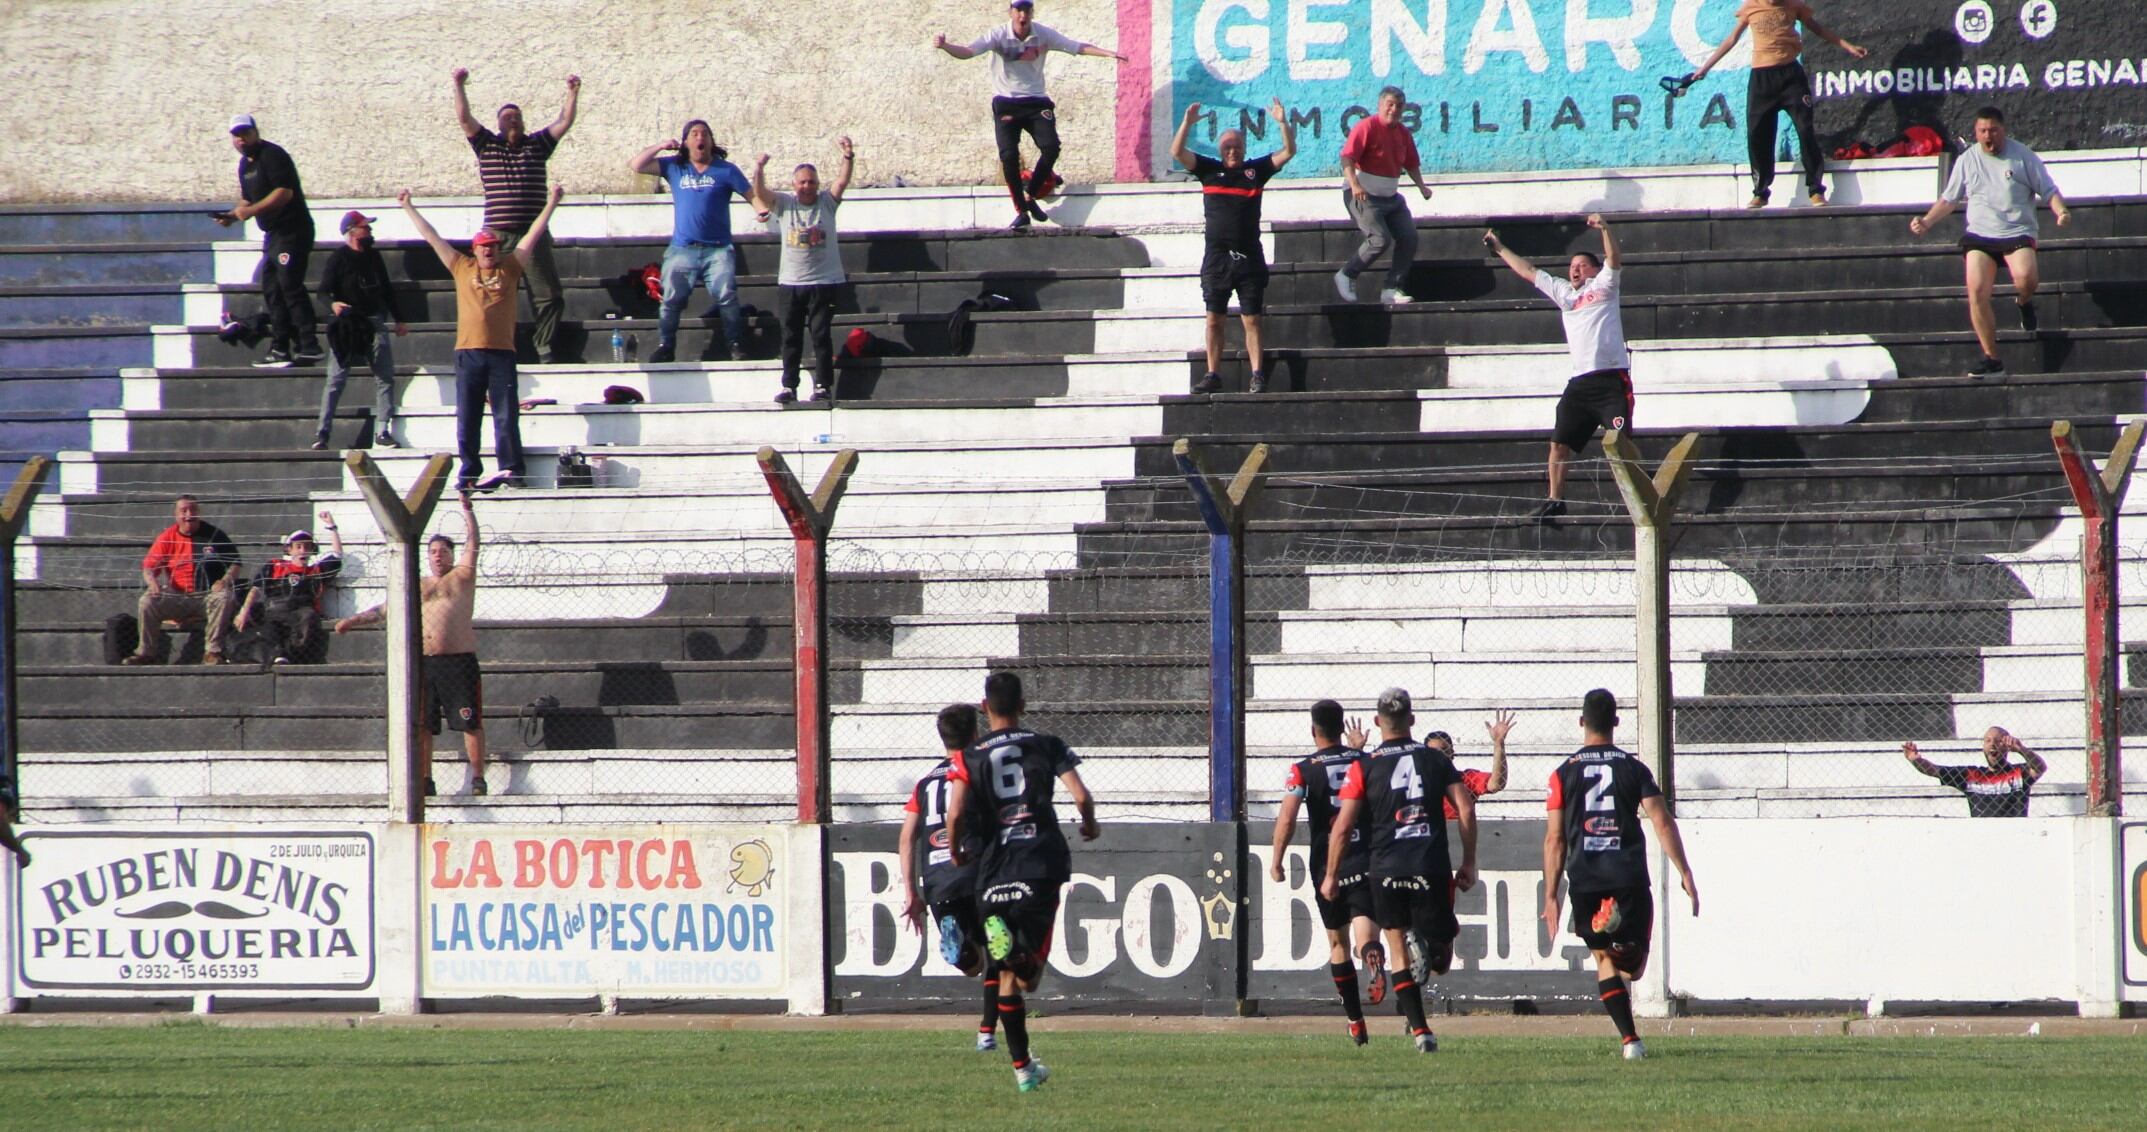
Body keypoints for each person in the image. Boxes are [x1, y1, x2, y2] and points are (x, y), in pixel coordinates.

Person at [946, 671, 1099, 1092]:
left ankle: (1023, 1070)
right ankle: (1013, 952)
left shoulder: (968, 755)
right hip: (1040, 863)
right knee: (1027, 976)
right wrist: (1089, 823)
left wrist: (957, 849)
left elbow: (955, 814)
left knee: (1010, 976)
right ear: (1023, 705)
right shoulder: (1047, 743)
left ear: (984, 708)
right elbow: (1081, 796)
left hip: (992, 871)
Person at [1541, 689, 1700, 1060]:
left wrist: (1551, 894)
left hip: (1585, 877)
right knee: (1636, 965)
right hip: (1627, 874)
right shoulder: (1634, 768)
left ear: (1582, 722)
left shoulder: (1562, 774)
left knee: (1606, 961)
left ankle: (1631, 1041)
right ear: (1616, 722)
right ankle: (1620, 943)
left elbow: (1554, 839)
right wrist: (1685, 871)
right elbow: (1661, 820)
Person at [1319, 687, 1477, 1054]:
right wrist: (1469, 861)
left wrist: (1331, 874)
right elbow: (1465, 808)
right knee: (1441, 957)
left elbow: (1342, 826)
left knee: (1397, 949)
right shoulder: (1436, 760)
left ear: (1377, 722)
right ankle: (1429, 943)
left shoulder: (1364, 765)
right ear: (1412, 720)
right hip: (1431, 865)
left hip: (1385, 867)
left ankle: (1422, 1032)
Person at [400, 184, 564, 491]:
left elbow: (532, 235)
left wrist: (552, 202)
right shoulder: (461, 266)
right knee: (468, 416)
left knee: (505, 414)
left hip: (501, 352)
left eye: (492, 246)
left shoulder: (511, 267)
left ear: (499, 249)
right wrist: (409, 207)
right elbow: (432, 238)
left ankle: (512, 468)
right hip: (468, 353)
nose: (488, 251)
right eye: (483, 246)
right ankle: (470, 469)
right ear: (474, 249)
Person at [336, 492, 489, 796]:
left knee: (469, 721)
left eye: (443, 550)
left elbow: (473, 545)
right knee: (423, 725)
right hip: (425, 663)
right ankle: (426, 779)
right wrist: (352, 620)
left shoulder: (461, 577)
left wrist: (468, 512)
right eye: (432, 551)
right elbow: (384, 608)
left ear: (451, 554)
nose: (437, 556)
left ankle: (477, 777)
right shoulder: (417, 584)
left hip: (457, 661)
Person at [932, 0, 1127, 230]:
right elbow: (968, 51)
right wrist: (946, 46)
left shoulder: (1043, 34)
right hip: (1006, 102)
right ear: (1011, 12)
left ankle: (1030, 194)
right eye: (1018, 11)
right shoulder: (998, 34)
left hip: (1036, 101)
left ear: (1032, 13)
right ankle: (1022, 211)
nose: (1022, 16)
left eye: (1027, 11)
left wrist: (1110, 54)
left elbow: (1076, 47)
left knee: (1051, 147)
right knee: (1009, 156)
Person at [1486, 214, 1629, 524]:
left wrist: (1605, 229)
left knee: (1621, 443)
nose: (1575, 269)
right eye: (1572, 266)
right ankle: (1555, 500)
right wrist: (1499, 248)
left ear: (1594, 270)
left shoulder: (1605, 285)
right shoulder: (1565, 294)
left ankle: (1643, 496)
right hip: (1579, 384)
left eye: (1581, 265)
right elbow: (1529, 271)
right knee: (1558, 443)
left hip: (1610, 380)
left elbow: (1614, 258)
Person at [1908, 107, 2071, 379]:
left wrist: (2061, 211)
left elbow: (2049, 190)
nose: (1988, 136)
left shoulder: (2022, 156)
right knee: (1976, 291)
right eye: (1982, 131)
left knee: (2026, 279)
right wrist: (1926, 221)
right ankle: (1992, 358)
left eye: (1993, 130)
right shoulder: (1968, 159)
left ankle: (2024, 301)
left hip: (2017, 231)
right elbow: (1950, 198)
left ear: (2003, 130)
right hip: (1981, 235)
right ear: (1976, 132)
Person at [1269, 699, 1382, 1045]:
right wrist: (1358, 752)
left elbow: (1287, 818)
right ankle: (1373, 958)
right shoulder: (1365, 761)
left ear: (1313, 729)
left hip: (1326, 864)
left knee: (1337, 943)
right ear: (1342, 725)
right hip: (1365, 856)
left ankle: (1355, 1020)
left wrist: (1276, 861)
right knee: (1365, 928)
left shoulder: (1303, 769)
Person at [1684, 2, 1870, 208]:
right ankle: (1761, 192)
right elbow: (1732, 39)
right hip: (1762, 80)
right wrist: (1704, 68)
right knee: (1757, 135)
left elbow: (1817, 27)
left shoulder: (1793, 4)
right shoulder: (1751, 7)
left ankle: (1816, 190)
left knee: (1805, 129)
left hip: (1791, 77)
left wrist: (1847, 45)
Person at [1170, 98, 1297, 395]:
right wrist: (1187, 124)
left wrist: (1281, 122)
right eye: (1227, 147)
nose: (1232, 151)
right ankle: (1213, 373)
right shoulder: (1208, 170)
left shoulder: (1256, 171)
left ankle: (1257, 374)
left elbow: (1289, 152)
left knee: (1251, 318)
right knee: (1214, 318)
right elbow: (1176, 152)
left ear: (1244, 149)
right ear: (1220, 151)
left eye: (1237, 147)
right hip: (1216, 259)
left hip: (1249, 256)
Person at [453, 69, 579, 363]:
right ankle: (495, 346)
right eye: (507, 117)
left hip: (530, 236)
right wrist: (458, 85)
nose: (513, 120)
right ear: (498, 124)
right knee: (491, 293)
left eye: (517, 116)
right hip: (496, 236)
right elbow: (464, 119)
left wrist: (572, 93)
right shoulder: (487, 145)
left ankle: (545, 348)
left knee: (548, 294)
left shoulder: (537, 145)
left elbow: (564, 122)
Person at [898, 703, 1003, 1053]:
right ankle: (986, 1032)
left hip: (937, 879)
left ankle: (956, 944)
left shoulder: (924, 783)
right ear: (975, 735)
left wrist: (912, 892)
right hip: (976, 872)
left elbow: (907, 838)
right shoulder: (979, 771)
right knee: (996, 955)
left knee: (970, 966)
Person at [631, 121, 754, 364]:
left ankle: (735, 343)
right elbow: (637, 165)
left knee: (726, 295)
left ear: (711, 141)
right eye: (694, 134)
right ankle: (666, 345)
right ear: (686, 142)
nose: (700, 138)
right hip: (683, 249)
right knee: (671, 298)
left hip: (717, 248)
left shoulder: (726, 170)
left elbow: (752, 195)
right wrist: (661, 145)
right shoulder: (675, 167)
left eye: (705, 134)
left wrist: (762, 211)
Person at [749, 138, 855, 404]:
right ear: (794, 185)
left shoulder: (827, 203)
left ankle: (822, 386)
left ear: (817, 185)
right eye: (802, 182)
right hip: (791, 283)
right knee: (790, 336)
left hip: (824, 281)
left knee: (820, 335)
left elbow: (841, 182)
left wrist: (847, 157)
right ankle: (789, 386)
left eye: (811, 182)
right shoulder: (785, 204)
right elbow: (760, 193)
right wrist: (759, 169)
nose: (807, 187)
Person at [218, 114, 321, 368]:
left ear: (256, 132)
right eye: (236, 136)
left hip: (293, 230)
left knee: (290, 285)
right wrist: (232, 216)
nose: (241, 140)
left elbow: (284, 193)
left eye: (246, 134)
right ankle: (280, 348)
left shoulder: (273, 155)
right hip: (273, 234)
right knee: (272, 290)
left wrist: (251, 212)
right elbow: (247, 199)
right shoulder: (245, 166)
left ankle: (310, 345)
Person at [315, 211, 407, 450]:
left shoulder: (374, 257)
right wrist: (333, 304)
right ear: (352, 231)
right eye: (365, 228)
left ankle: (382, 430)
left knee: (384, 377)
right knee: (335, 380)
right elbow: (323, 292)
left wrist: (399, 318)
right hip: (348, 325)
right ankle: (322, 432)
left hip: (374, 322)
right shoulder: (338, 258)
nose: (370, 232)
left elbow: (386, 290)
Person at [1335, 87, 1432, 305]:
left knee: (1408, 237)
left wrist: (1422, 187)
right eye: (1390, 104)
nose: (1394, 110)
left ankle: (1391, 288)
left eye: (1398, 106)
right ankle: (1347, 274)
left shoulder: (1403, 134)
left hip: (1391, 198)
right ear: (1380, 105)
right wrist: (1355, 184)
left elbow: (1411, 164)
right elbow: (1347, 159)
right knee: (1379, 239)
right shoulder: (1366, 127)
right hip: (1362, 195)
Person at [123, 495, 240, 666]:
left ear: (198, 513)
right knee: (147, 601)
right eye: (183, 510)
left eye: (192, 510)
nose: (188, 515)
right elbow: (149, 566)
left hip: (207, 595)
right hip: (177, 596)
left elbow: (235, 563)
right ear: (176, 515)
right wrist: (152, 582)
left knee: (224, 596)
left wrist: (225, 580)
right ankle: (146, 653)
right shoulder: (167, 536)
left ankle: (213, 653)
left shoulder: (214, 534)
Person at [233, 513, 344, 665]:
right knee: (267, 629)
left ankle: (291, 656)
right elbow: (257, 588)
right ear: (289, 550)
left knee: (308, 617)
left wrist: (332, 527)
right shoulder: (275, 566)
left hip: (302, 611)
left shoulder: (317, 571)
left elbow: (337, 555)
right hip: (275, 611)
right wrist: (244, 611)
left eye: (307, 546)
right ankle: (277, 655)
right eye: (298, 546)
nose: (302, 550)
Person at [1903, 726, 2047, 817]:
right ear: (1983, 746)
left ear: (2007, 746)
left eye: (1998, 741)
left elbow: (2040, 767)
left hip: (2014, 834)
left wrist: (2022, 749)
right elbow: (1934, 770)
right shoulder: (1972, 775)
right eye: (1988, 740)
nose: (1992, 744)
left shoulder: (2018, 773)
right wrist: (1915, 760)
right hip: (1981, 835)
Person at [1428, 710, 1514, 819]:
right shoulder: (1418, 781)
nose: (1439, 755)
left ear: (1452, 753)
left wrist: (1498, 743)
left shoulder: (1466, 779)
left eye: (1444, 750)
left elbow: (1496, 784)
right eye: (1433, 751)